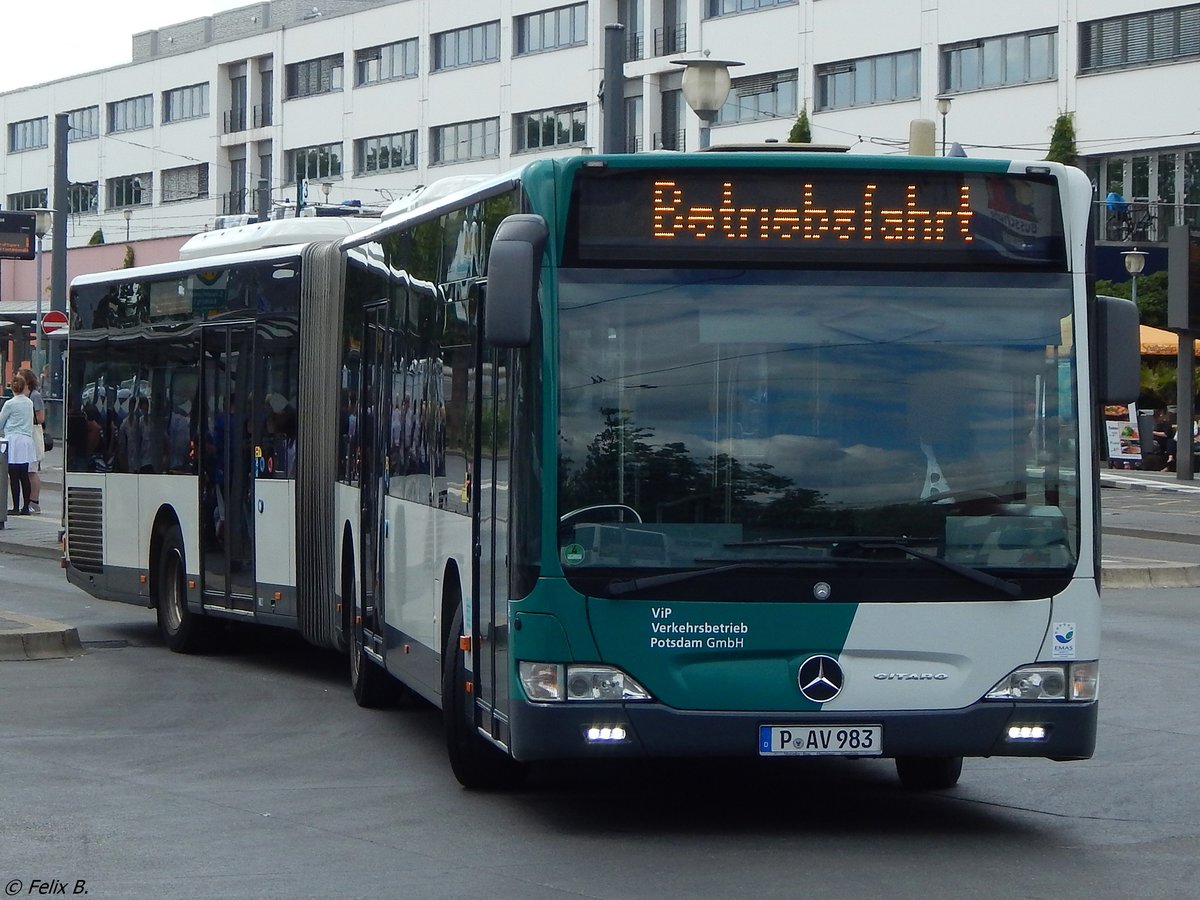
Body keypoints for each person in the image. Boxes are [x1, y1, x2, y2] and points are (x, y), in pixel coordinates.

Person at [0, 374, 37, 515]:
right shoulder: (29, 403)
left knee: (13, 476)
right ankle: (26, 507)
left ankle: (15, 507)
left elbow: (1, 422)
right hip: (26, 440)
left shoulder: (9, 404)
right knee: (24, 475)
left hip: (13, 440)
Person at [19, 369, 46, 513]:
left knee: (32, 470)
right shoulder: (22, 395)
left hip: (33, 435)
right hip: (26, 434)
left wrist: (26, 417)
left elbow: (41, 418)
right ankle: (28, 500)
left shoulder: (35, 396)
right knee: (27, 470)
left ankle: (34, 501)